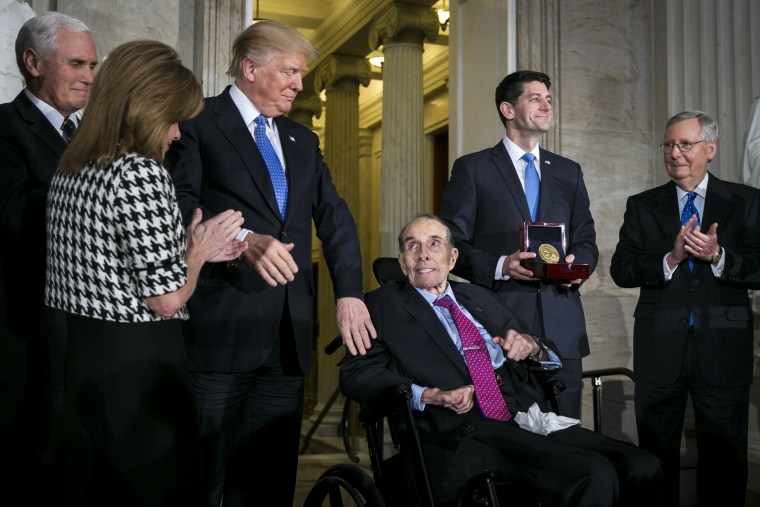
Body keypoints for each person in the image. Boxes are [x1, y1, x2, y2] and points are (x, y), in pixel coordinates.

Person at [166, 19, 376, 507]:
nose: (300, 85)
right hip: (221, 335)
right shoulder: (196, 122)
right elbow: (179, 208)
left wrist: (349, 293)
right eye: (290, 72)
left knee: (269, 483)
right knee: (205, 480)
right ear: (250, 68)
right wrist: (242, 240)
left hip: (286, 341)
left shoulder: (304, 141)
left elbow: (338, 222)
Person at [340, 214, 662, 507]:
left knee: (642, 466)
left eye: (434, 244)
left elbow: (541, 351)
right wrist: (426, 394)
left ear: (452, 258)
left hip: (523, 418)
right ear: (402, 260)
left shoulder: (478, 298)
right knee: (593, 474)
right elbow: (356, 374)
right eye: (413, 246)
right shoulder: (381, 307)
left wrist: (532, 346)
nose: (424, 253)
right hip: (459, 433)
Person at [45, 40, 247, 506]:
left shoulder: (71, 167)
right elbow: (167, 299)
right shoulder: (141, 173)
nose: (177, 134)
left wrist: (191, 250)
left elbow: (110, 259)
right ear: (147, 108)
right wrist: (196, 252)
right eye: (174, 118)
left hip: (81, 360)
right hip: (139, 367)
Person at [610, 111, 760, 506]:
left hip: (724, 350)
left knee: (725, 463)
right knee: (655, 461)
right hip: (660, 350)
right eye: (668, 145)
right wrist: (669, 259)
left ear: (710, 149)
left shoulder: (745, 201)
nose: (674, 153)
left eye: (685, 144)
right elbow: (621, 270)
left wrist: (720, 256)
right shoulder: (642, 205)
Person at [438, 70, 598, 418]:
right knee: (510, 433)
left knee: (566, 435)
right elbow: (449, 246)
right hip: (502, 322)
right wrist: (500, 265)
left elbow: (586, 239)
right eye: (535, 98)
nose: (546, 106)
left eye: (550, 99)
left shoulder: (569, 172)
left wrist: (576, 267)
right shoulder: (474, 169)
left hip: (562, 324)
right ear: (508, 110)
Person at [0, 11, 96, 503]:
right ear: (32, 62)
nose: (88, 77)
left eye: (93, 66)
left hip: (87, 335)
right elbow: (14, 216)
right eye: (77, 63)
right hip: (23, 336)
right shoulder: (1, 127)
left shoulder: (96, 135)